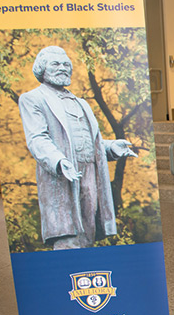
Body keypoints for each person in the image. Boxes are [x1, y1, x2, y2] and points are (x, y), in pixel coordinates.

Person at [19, 46, 137, 250]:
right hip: (61, 175)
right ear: (42, 68)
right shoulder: (33, 99)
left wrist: (112, 147)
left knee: (87, 234)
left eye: (66, 64)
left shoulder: (81, 103)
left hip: (90, 174)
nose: (62, 68)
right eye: (55, 64)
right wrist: (58, 161)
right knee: (68, 237)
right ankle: (65, 277)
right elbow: (37, 138)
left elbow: (92, 143)